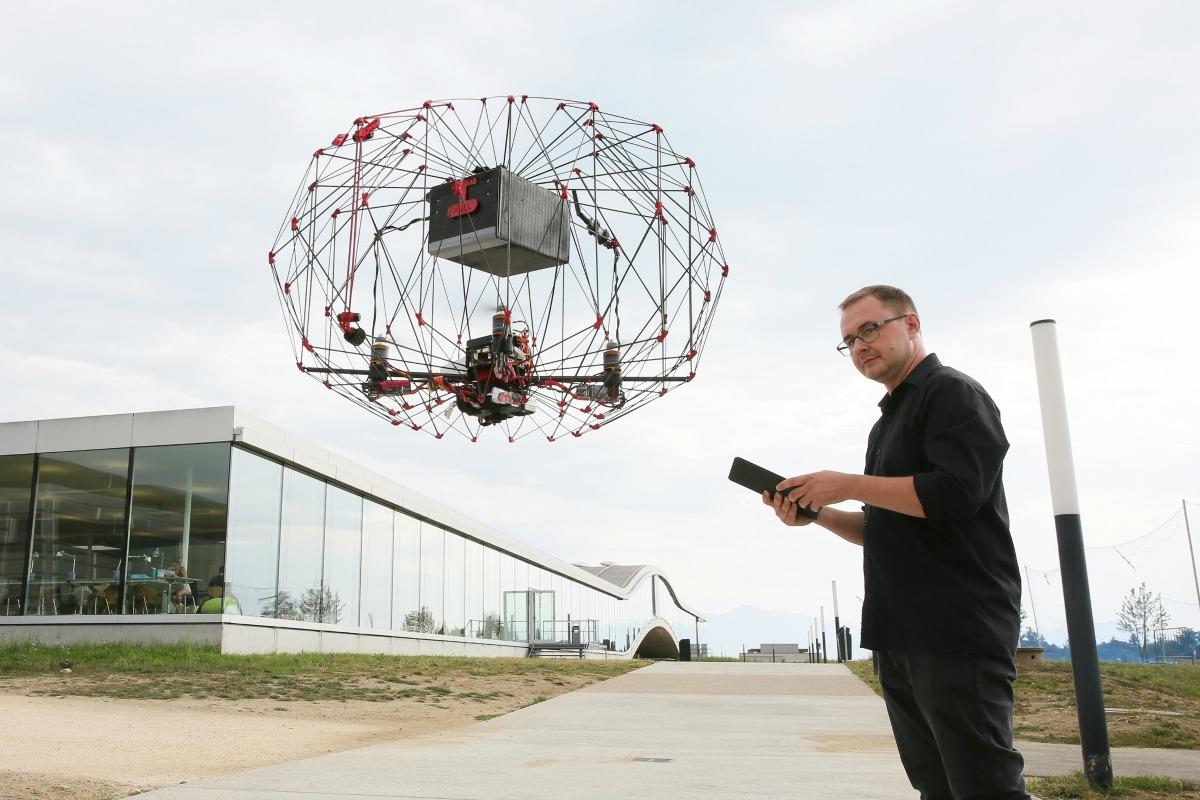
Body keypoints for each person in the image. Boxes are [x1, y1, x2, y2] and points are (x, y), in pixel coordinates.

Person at [764, 285, 1027, 800]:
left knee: (985, 788)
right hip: (899, 635)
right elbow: (881, 527)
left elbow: (953, 495)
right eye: (849, 341)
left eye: (870, 329)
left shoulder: (953, 393)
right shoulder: (885, 424)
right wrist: (816, 514)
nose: (861, 345)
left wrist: (847, 483)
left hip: (956, 631)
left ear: (911, 325)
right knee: (935, 787)